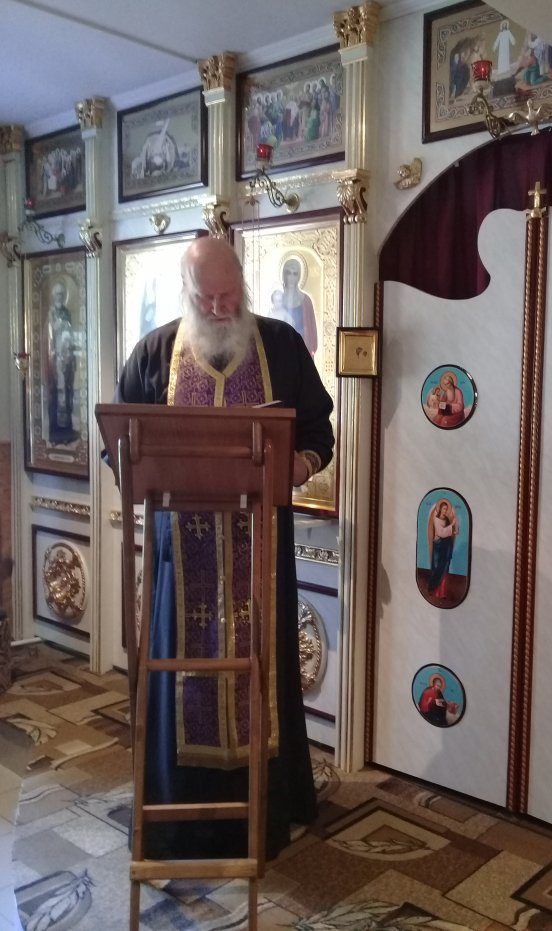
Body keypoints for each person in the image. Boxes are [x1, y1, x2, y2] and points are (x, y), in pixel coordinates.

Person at [115, 235, 334, 861]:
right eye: (206, 297)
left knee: (260, 672)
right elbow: (120, 443)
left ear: (243, 282)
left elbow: (318, 430)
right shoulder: (154, 354)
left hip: (259, 556)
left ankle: (260, 815)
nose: (219, 307)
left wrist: (300, 464)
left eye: (228, 294)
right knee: (180, 675)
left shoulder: (281, 346)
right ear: (188, 293)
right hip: (180, 558)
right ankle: (180, 818)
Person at [44, 279, 78, 445]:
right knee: (55, 395)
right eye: (57, 294)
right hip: (54, 361)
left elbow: (70, 334)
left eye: (62, 294)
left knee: (67, 393)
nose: (59, 297)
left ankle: (66, 430)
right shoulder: (50, 315)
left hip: (66, 361)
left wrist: (68, 352)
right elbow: (48, 337)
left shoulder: (67, 313)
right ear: (53, 296)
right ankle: (55, 431)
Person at [281, 257, 318, 356]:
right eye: (288, 273)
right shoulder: (278, 299)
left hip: (302, 348)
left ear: (299, 276)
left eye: (295, 274)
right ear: (284, 275)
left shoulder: (306, 300)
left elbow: (312, 331)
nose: (291, 277)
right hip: (282, 347)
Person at [426, 499, 458, 600]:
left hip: (446, 546)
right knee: (437, 568)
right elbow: (441, 533)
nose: (445, 511)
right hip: (439, 547)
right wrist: (452, 525)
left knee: (445, 568)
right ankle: (433, 589)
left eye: (446, 509)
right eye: (444, 509)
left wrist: (454, 530)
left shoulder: (447, 520)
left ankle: (441, 592)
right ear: (440, 509)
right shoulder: (436, 519)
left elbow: (450, 532)